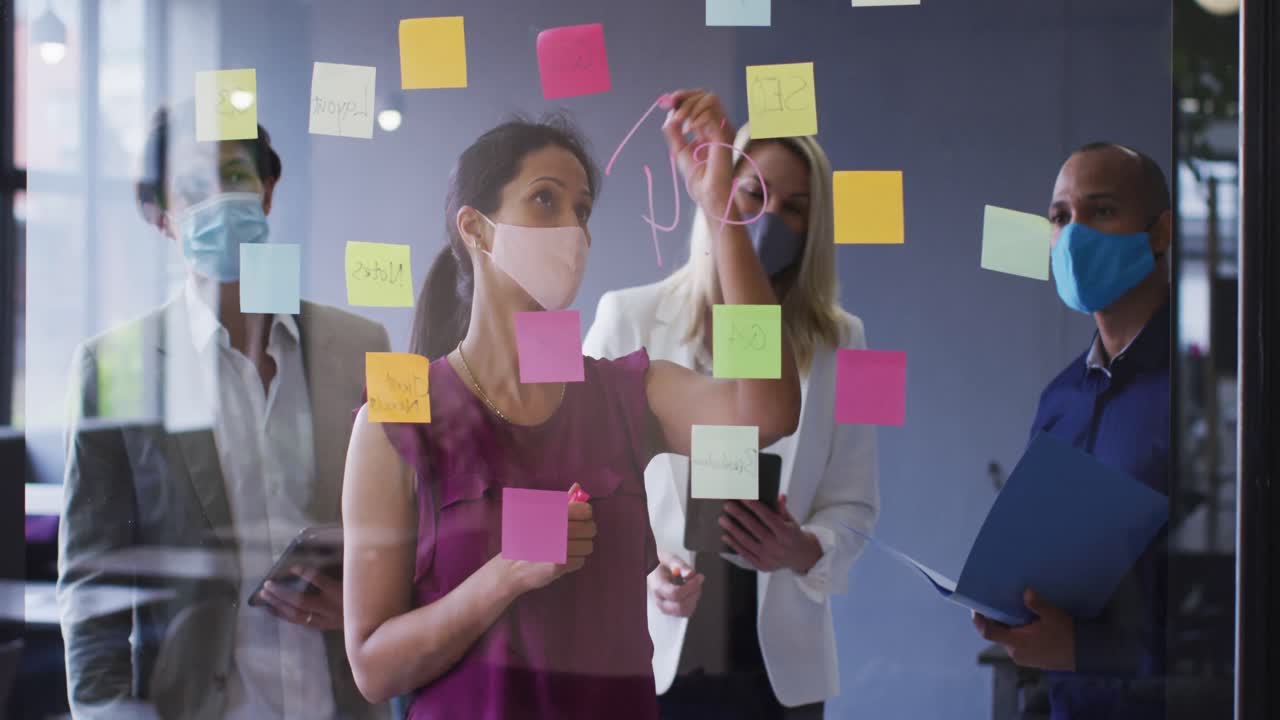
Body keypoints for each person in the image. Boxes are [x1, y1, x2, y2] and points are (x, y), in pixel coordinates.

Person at [341, 90, 802, 720]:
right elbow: (372, 666)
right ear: (475, 228)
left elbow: (767, 410)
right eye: (545, 199)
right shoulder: (399, 412)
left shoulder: (625, 395)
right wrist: (506, 573)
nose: (572, 228)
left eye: (581, 209)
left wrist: (721, 212)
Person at [57, 105, 390, 720]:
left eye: (235, 177)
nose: (218, 200)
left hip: (341, 700)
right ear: (161, 217)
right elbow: (90, 578)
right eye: (190, 189)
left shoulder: (365, 346)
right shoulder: (114, 367)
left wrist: (367, 604)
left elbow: (410, 526)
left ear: (268, 191)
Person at [583, 125, 879, 718]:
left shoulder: (845, 341)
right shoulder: (628, 316)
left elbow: (856, 504)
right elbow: (582, 487)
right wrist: (643, 574)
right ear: (718, 193)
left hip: (778, 675)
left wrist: (802, 549)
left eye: (795, 208)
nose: (770, 220)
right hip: (651, 661)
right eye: (753, 194)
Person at [972, 141, 1171, 720]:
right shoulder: (1060, 399)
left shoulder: (1194, 394)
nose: (1074, 234)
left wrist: (1089, 651)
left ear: (1159, 233)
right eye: (1060, 217)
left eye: (1101, 211)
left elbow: (1234, 618)